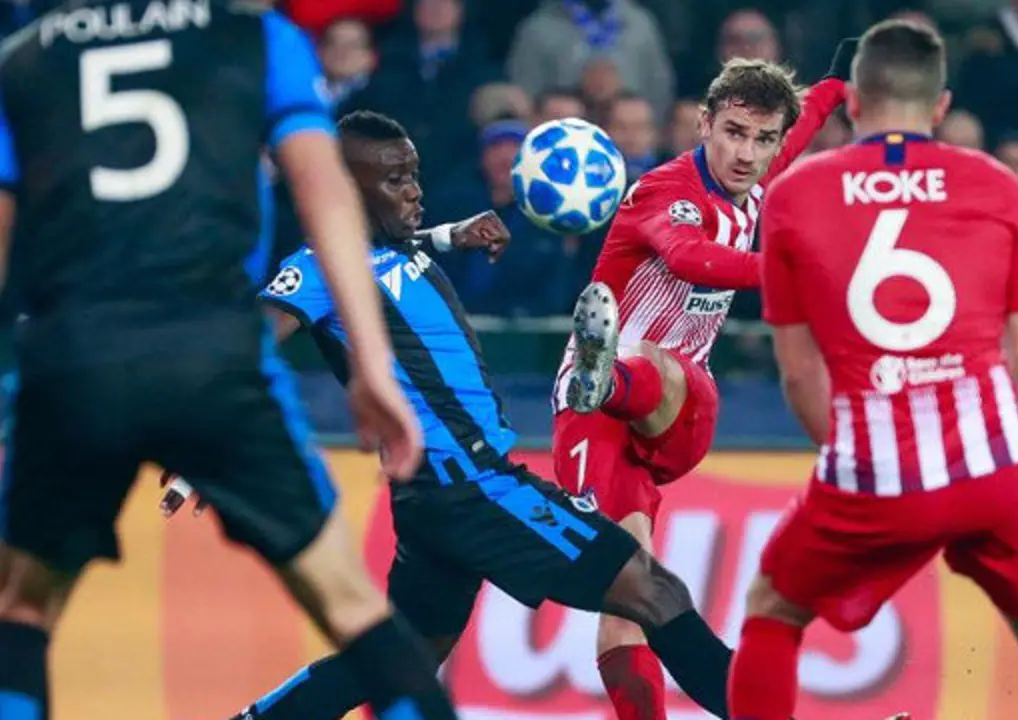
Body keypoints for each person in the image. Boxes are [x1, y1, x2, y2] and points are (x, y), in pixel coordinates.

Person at [175, 110, 750, 720]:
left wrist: (452, 235)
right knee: (656, 592)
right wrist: (205, 442)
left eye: (414, 174)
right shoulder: (320, 268)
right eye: (395, 180)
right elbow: (256, 339)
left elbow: (391, 255)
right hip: (473, 488)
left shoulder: (386, 247)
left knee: (404, 658)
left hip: (434, 499)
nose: (414, 190)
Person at [0, 3, 457, 720]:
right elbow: (321, 186)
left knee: (22, 608)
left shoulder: (24, 58)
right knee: (349, 603)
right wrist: (369, 356)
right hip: (212, 353)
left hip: (75, 354)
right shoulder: (255, 37)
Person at [725, 19, 1018, 720]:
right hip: (994, 460)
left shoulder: (795, 195)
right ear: (940, 106)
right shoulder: (998, 185)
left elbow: (801, 374)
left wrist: (869, 456)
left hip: (872, 469)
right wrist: (968, 433)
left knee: (772, 610)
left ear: (853, 104)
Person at [552, 41, 853, 720]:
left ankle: (613, 378)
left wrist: (839, 77)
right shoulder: (667, 190)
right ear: (702, 125)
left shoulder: (758, 178)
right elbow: (689, 259)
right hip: (592, 416)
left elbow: (804, 127)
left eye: (762, 140)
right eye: (734, 133)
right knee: (629, 595)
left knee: (668, 369)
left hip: (672, 410)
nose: (747, 153)